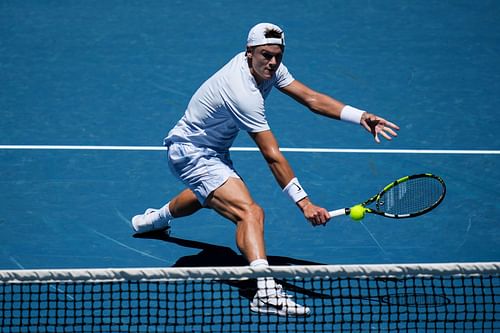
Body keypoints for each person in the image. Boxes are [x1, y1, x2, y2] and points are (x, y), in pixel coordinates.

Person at [132, 23, 399, 316]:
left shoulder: (269, 68)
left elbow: (310, 98)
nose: (272, 62)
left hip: (211, 150)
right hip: (192, 153)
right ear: (249, 52)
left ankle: (154, 220)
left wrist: (359, 116)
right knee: (250, 212)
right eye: (265, 55)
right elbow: (272, 156)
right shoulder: (242, 92)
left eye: (277, 55)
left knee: (206, 194)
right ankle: (266, 292)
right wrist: (305, 203)